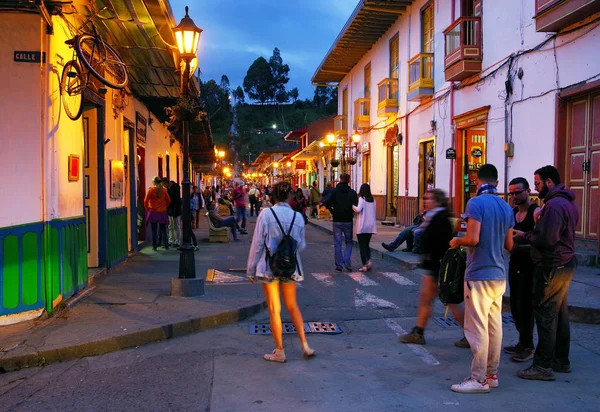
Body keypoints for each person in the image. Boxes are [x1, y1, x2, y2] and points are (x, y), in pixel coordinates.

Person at [449, 164, 514, 394]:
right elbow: (509, 245)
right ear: (496, 182)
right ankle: (491, 374)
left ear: (477, 181)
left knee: (477, 328)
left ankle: (478, 379)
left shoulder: (475, 203)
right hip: (499, 275)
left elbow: (473, 239)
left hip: (479, 275)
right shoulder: (506, 207)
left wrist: (457, 242)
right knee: (495, 326)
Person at [516, 166, 579, 381]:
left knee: (545, 315)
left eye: (537, 183)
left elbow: (546, 240)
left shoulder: (553, 206)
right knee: (559, 314)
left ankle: (542, 366)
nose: (535, 187)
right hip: (565, 262)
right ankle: (561, 361)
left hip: (553, 265)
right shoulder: (567, 202)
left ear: (549, 182)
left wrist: (525, 236)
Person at [246, 181, 315, 362]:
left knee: (274, 309)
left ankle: (279, 351)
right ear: (290, 196)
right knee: (292, 305)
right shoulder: (298, 217)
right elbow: (300, 245)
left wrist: (251, 269)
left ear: (273, 196)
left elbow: (258, 244)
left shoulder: (266, 214)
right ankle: (305, 344)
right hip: (289, 267)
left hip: (269, 268)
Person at [400, 189, 465, 345]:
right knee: (430, 300)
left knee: (449, 302)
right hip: (434, 266)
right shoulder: (434, 216)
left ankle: (471, 334)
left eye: (428, 199)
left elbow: (440, 244)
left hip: (437, 267)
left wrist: (433, 262)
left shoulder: (440, 218)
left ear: (436, 201)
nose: (425, 201)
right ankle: (419, 332)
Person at [503, 177, 540, 362]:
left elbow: (541, 240)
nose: (515, 196)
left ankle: (528, 345)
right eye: (511, 193)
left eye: (518, 192)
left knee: (526, 306)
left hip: (530, 266)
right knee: (516, 306)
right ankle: (522, 341)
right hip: (514, 263)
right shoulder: (512, 213)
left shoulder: (536, 212)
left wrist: (520, 242)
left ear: (527, 191)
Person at [325, 174, 358, 272]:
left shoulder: (335, 191)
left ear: (340, 179)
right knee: (349, 242)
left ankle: (339, 265)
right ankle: (347, 261)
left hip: (337, 220)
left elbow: (327, 202)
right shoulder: (352, 192)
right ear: (348, 180)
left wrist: (332, 211)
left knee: (337, 243)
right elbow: (356, 204)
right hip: (348, 220)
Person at [353, 183, 377, 272]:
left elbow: (358, 209)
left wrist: (352, 206)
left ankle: (364, 265)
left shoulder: (361, 199)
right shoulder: (373, 200)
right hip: (370, 226)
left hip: (362, 225)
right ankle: (369, 260)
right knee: (367, 245)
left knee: (362, 246)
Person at [144, 176, 171, 251]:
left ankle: (154, 246)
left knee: (154, 230)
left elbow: (145, 201)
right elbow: (168, 200)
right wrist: (164, 207)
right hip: (162, 212)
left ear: (154, 182)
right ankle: (166, 245)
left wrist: (148, 208)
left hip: (153, 212)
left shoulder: (151, 190)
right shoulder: (164, 190)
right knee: (164, 230)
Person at [167, 180, 182, 247]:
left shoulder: (174, 190)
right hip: (172, 210)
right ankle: (173, 240)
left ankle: (176, 241)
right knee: (173, 226)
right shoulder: (174, 188)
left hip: (175, 210)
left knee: (175, 226)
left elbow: (172, 201)